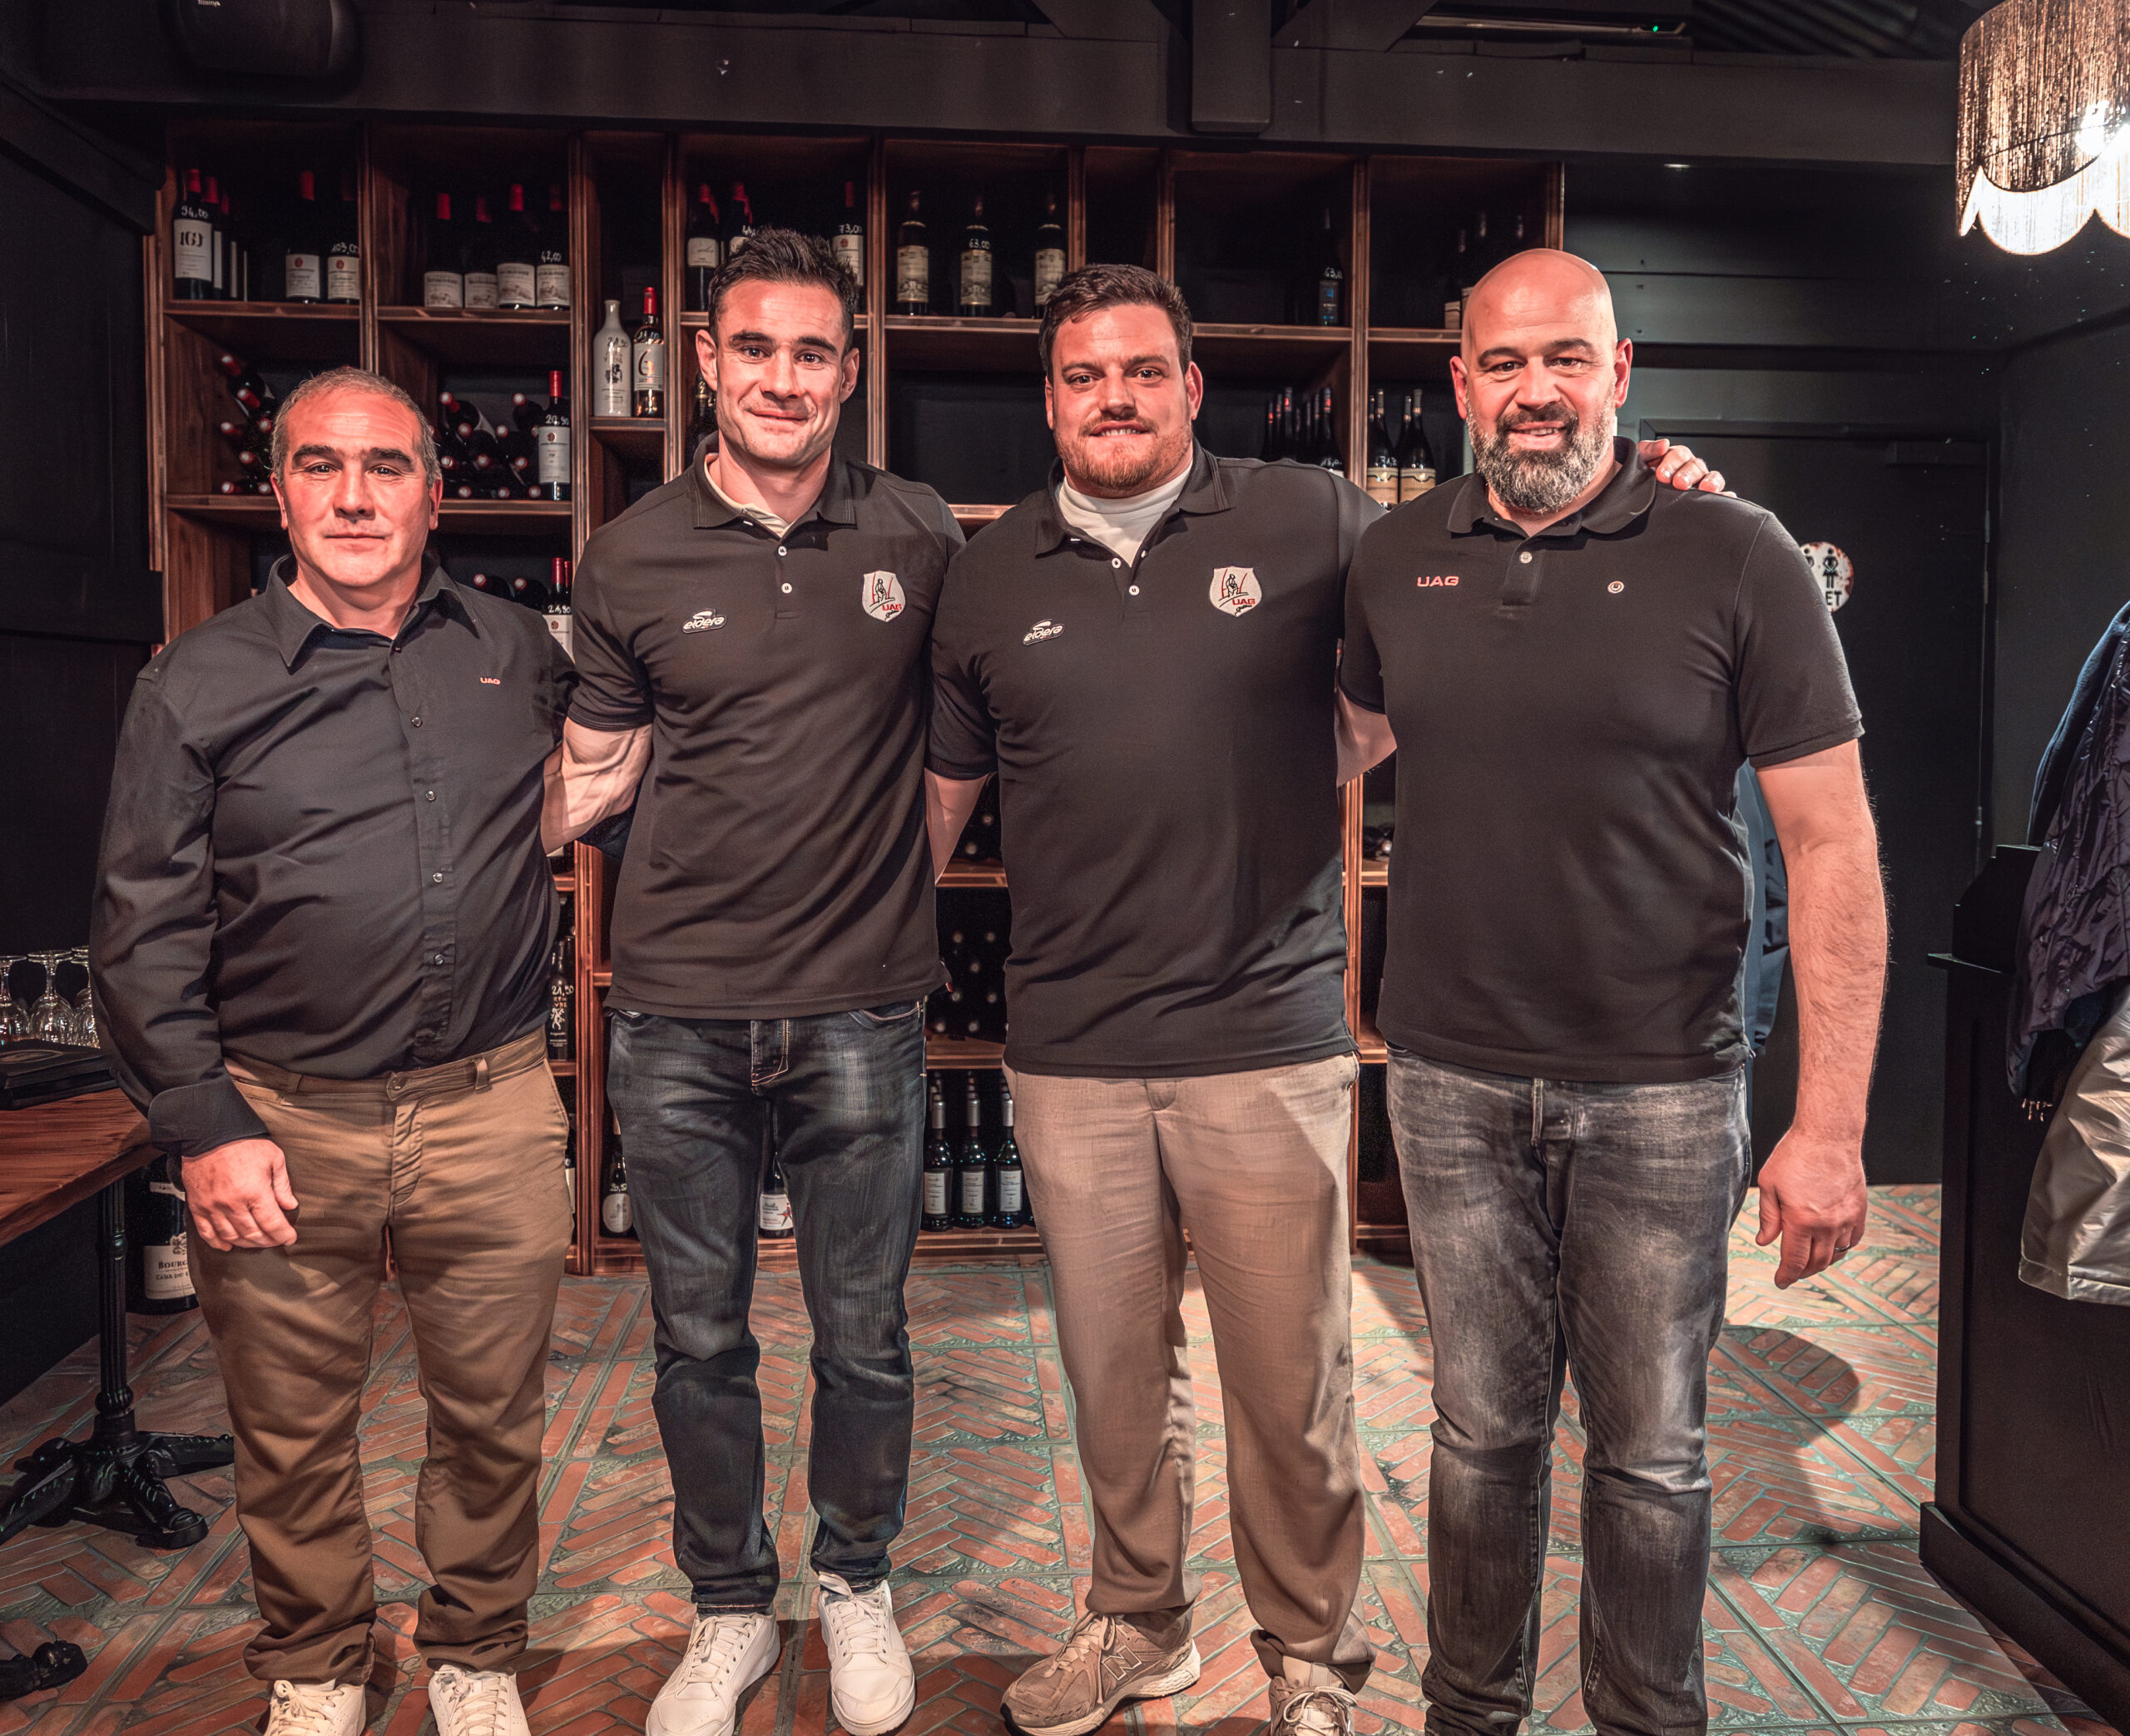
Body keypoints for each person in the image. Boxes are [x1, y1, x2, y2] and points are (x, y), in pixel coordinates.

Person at [924, 264, 1726, 1736]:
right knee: (1113, 1383)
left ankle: (1309, 1661)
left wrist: (1656, 482)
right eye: (1086, 376)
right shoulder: (989, 571)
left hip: (1266, 1035)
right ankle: (1138, 1622)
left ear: (1191, 386)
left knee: (1291, 1392)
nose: (1116, 398)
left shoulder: (1319, 521)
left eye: (1145, 372)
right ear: (1050, 400)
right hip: (1069, 1049)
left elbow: (1483, 575)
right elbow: (942, 796)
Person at [1338, 248, 1887, 1736]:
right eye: (1505, 363)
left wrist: (1830, 1125)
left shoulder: (1739, 554)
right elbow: (1340, 739)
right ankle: (1471, 1714)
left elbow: (1833, 844)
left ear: (1621, 372)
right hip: (1447, 1081)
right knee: (1478, 1440)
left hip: (1665, 1089)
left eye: (1567, 359)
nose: (1536, 390)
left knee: (1650, 1456)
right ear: (1462, 384)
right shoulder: (1395, 557)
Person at [92, 366, 577, 1736]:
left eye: (385, 466)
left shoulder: (516, 651)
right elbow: (139, 923)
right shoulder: (195, 680)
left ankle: (475, 1649)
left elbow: (606, 777)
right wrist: (203, 1124)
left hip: (490, 1104)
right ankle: (317, 1664)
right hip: (278, 1119)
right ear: (279, 493)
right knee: (292, 1425)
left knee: (493, 1414)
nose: (354, 496)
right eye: (321, 466)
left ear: (436, 492)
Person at [544, 230, 962, 1736]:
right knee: (698, 1338)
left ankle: (854, 1582)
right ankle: (728, 1607)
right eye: (756, 349)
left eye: (813, 353)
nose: (784, 378)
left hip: (863, 1007)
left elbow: (962, 751)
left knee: (865, 1335)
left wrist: (888, 886)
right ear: (707, 362)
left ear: (850, 371)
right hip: (674, 1014)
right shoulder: (632, 552)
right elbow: (596, 771)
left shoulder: (920, 533)